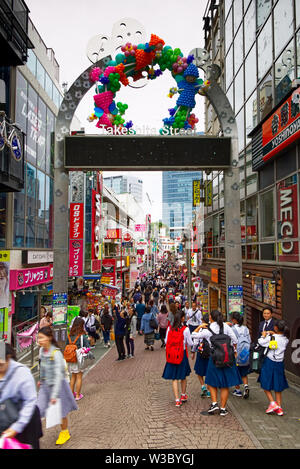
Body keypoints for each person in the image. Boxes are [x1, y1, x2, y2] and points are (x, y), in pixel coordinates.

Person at [192, 310, 241, 416]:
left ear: (210, 317)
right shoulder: (226, 327)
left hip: (214, 358)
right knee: (225, 384)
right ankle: (223, 409)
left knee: (211, 381)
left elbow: (194, 335)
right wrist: (234, 351)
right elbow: (235, 340)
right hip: (227, 358)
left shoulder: (207, 329)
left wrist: (200, 326)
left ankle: (214, 403)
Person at [37, 326, 78, 445]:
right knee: (38, 409)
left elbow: (58, 375)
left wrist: (54, 395)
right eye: (38, 338)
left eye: (41, 338)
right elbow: (42, 367)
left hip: (58, 386)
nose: (39, 340)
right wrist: (41, 379)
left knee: (61, 411)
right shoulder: (41, 351)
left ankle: (64, 432)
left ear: (49, 338)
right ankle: (34, 433)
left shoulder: (56, 353)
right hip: (45, 385)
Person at [0, 343, 42, 449]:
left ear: (8, 358)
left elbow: (30, 401)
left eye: (0, 364)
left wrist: (16, 427)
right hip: (5, 422)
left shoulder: (22, 373)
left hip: (26, 424)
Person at [257, 320, 289, 416]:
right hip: (279, 363)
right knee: (278, 385)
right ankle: (279, 407)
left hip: (270, 362)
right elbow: (277, 338)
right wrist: (273, 333)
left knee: (265, 382)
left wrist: (263, 335)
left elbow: (261, 342)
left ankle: (272, 403)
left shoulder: (272, 338)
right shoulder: (286, 339)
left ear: (275, 328)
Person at [162, 310, 193, 407]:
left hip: (172, 355)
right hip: (182, 354)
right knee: (183, 376)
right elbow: (190, 343)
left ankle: (177, 399)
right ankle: (183, 395)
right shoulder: (186, 329)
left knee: (174, 378)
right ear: (183, 318)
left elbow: (166, 341)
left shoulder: (169, 329)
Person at [66, 317, 90, 401]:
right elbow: (87, 347)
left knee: (73, 376)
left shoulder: (69, 335)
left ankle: (71, 395)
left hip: (70, 358)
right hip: (79, 358)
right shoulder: (82, 336)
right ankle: (78, 395)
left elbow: (66, 345)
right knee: (79, 377)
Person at [230, 312, 251, 399]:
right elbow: (249, 340)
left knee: (235, 372)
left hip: (236, 354)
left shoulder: (232, 329)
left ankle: (238, 390)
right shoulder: (246, 328)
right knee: (244, 373)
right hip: (245, 353)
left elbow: (231, 342)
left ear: (234, 320)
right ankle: (246, 386)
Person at [191, 313, 211, 398]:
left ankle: (203, 386)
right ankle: (209, 390)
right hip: (210, 353)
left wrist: (193, 351)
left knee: (199, 371)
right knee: (209, 372)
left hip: (201, 352)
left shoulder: (201, 330)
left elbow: (195, 341)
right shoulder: (212, 330)